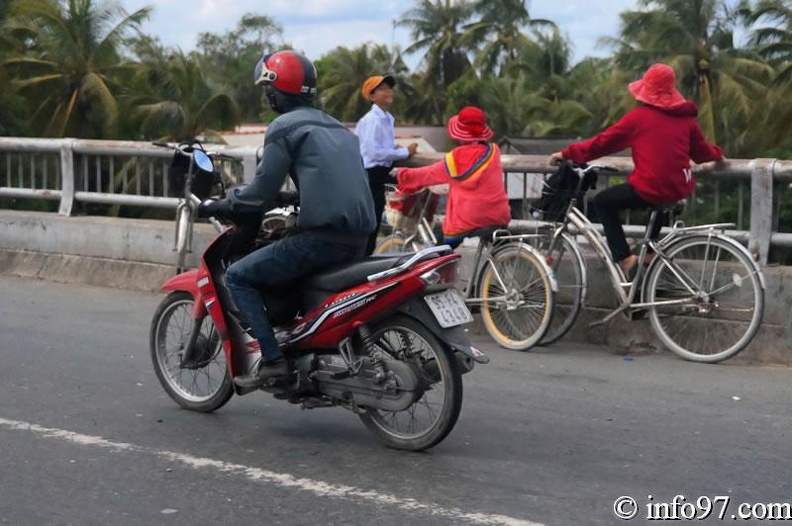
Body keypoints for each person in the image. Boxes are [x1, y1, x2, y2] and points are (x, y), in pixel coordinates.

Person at [199, 50, 375, 389]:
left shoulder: (283, 127)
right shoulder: (337, 127)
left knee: (237, 276)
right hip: (359, 238)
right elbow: (329, 180)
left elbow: (257, 196)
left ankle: (274, 361)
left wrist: (222, 203)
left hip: (322, 240)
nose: (267, 97)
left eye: (267, 89)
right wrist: (294, 197)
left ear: (274, 90)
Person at [548, 63, 724, 279]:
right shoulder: (685, 120)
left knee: (603, 202)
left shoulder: (639, 118)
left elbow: (602, 143)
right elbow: (702, 153)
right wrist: (718, 154)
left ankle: (627, 260)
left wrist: (567, 153)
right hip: (678, 186)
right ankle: (648, 263)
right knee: (659, 202)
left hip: (652, 187)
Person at [395, 106, 511, 248]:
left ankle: (442, 268)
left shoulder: (455, 159)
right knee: (502, 249)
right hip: (498, 215)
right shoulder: (494, 151)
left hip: (468, 219)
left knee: (439, 255)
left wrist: (402, 175)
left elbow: (428, 174)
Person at [355, 74, 418, 255]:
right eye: (382, 89)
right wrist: (405, 152)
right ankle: (362, 261)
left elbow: (380, 147)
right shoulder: (372, 120)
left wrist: (396, 147)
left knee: (374, 218)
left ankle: (365, 258)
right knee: (370, 221)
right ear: (372, 96)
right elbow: (375, 152)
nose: (388, 91)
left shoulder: (386, 118)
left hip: (378, 172)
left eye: (389, 88)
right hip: (371, 173)